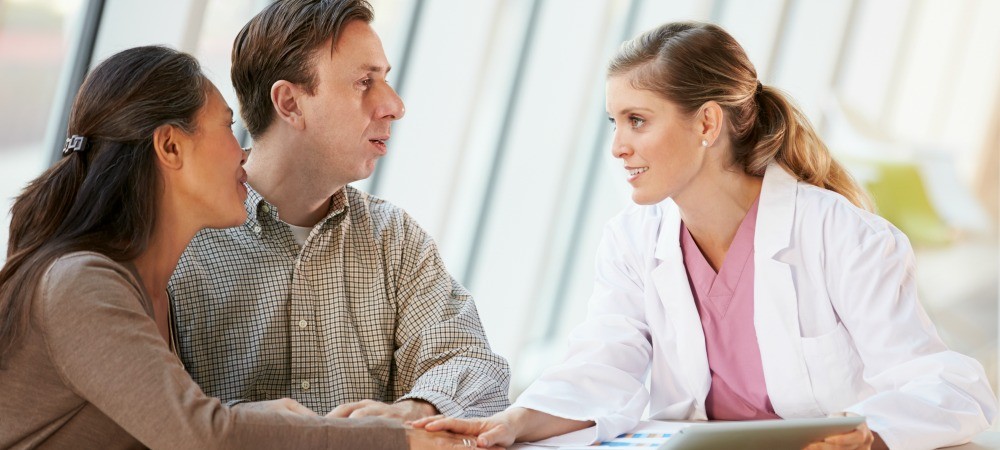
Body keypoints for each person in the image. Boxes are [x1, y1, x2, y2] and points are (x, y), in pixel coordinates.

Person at [411, 21, 998, 450]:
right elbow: (603, 363)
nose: (617, 146)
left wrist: (872, 437)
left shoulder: (844, 236)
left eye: (637, 121)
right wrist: (515, 421)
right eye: (614, 123)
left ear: (708, 123)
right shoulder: (632, 242)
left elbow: (952, 388)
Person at [0, 45, 494, 450]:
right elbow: (200, 435)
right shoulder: (82, 284)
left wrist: (250, 414)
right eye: (225, 127)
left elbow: (164, 419)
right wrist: (395, 440)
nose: (242, 151)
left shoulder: (141, 289)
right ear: (170, 147)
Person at [167, 0, 510, 423]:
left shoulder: (394, 238)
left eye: (385, 79)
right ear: (290, 103)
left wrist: (413, 409)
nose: (395, 106)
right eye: (365, 82)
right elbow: (161, 415)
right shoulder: (179, 246)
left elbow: (473, 363)